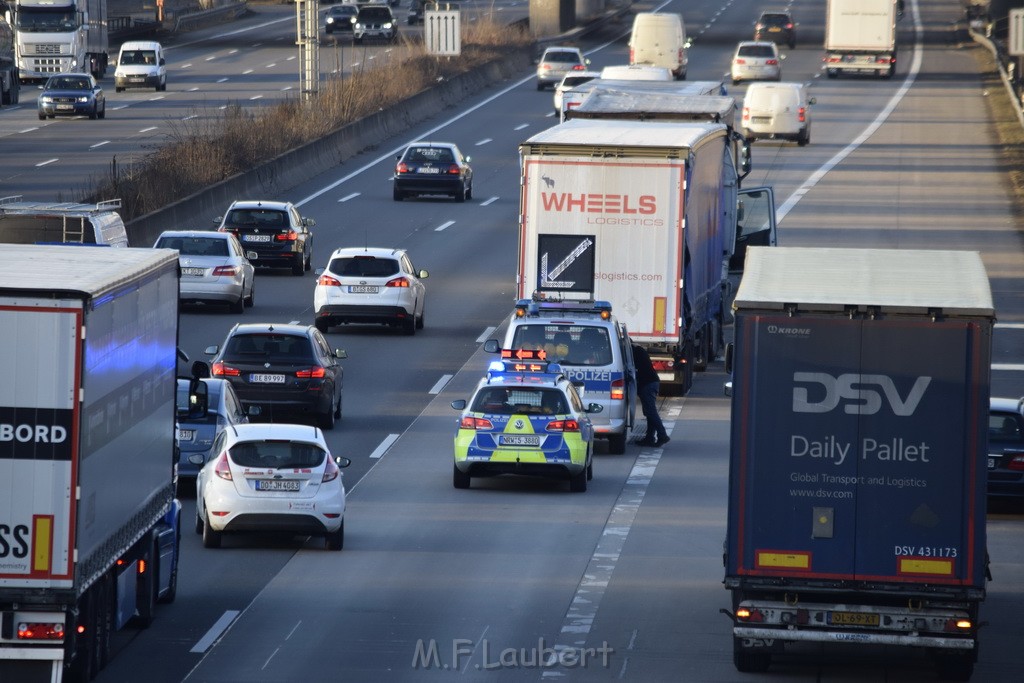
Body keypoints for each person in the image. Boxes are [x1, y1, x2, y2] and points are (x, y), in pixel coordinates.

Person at [632, 343, 669, 447]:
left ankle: (662, 435)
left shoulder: (634, 352)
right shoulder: (638, 350)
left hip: (647, 384)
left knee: (651, 412)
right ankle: (650, 437)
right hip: (651, 382)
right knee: (649, 412)